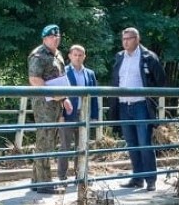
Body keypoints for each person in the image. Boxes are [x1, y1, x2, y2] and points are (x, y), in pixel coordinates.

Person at [110, 27, 166, 192]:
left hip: (141, 105)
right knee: (132, 143)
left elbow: (161, 81)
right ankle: (137, 178)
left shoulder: (148, 56)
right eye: (123, 39)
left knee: (144, 143)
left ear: (137, 39)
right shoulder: (119, 57)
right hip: (123, 105)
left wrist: (150, 98)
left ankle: (150, 179)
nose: (125, 42)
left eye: (129, 38)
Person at [28, 24, 73, 194]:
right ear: (44, 38)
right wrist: (56, 95)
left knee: (48, 141)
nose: (56, 39)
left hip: (56, 104)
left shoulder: (58, 55)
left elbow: (61, 78)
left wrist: (64, 98)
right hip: (44, 105)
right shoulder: (38, 55)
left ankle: (36, 180)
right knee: (45, 142)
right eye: (52, 36)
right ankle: (45, 183)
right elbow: (34, 80)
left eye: (58, 36)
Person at [59, 44, 99, 183]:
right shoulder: (62, 72)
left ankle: (80, 175)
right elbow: (59, 95)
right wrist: (61, 115)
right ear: (69, 56)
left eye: (80, 55)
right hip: (68, 115)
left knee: (82, 147)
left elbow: (94, 96)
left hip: (84, 114)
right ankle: (62, 177)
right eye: (75, 55)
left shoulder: (90, 73)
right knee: (65, 146)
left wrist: (94, 116)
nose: (77, 57)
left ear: (84, 57)